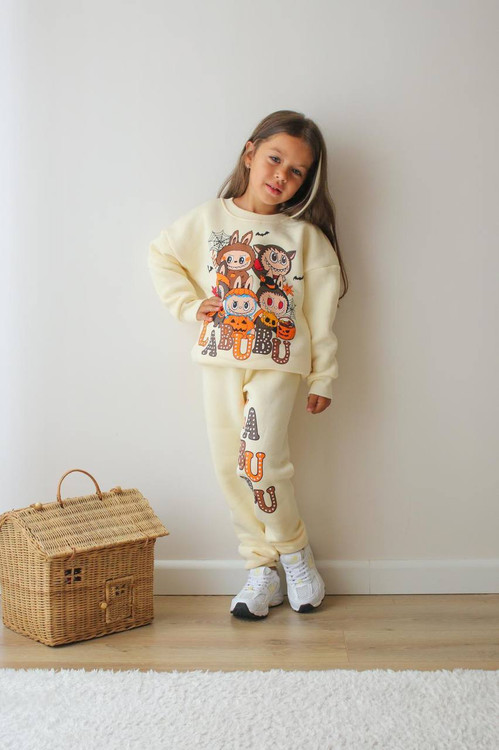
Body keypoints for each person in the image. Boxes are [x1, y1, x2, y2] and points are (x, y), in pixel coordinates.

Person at [148, 110, 349, 621]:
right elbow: (161, 255)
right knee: (228, 466)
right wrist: (191, 306)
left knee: (259, 460)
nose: (281, 175)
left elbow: (321, 316)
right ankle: (261, 567)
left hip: (278, 365)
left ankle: (295, 554)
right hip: (220, 359)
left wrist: (323, 375)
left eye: (297, 171)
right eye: (274, 159)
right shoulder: (208, 220)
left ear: (307, 180)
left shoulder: (305, 239)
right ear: (250, 153)